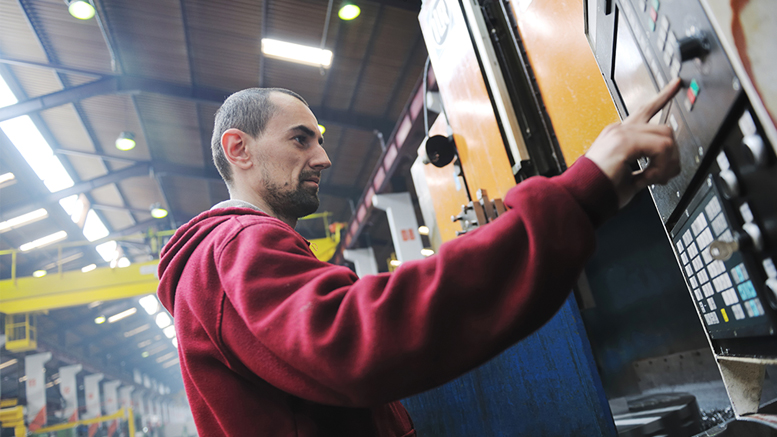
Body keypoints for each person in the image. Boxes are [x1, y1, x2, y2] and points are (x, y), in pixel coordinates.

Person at [157, 79, 682, 436]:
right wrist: (578, 195)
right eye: (301, 139)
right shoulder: (236, 246)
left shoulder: (224, 260)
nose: (324, 156)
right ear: (239, 149)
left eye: (319, 139)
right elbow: (360, 338)